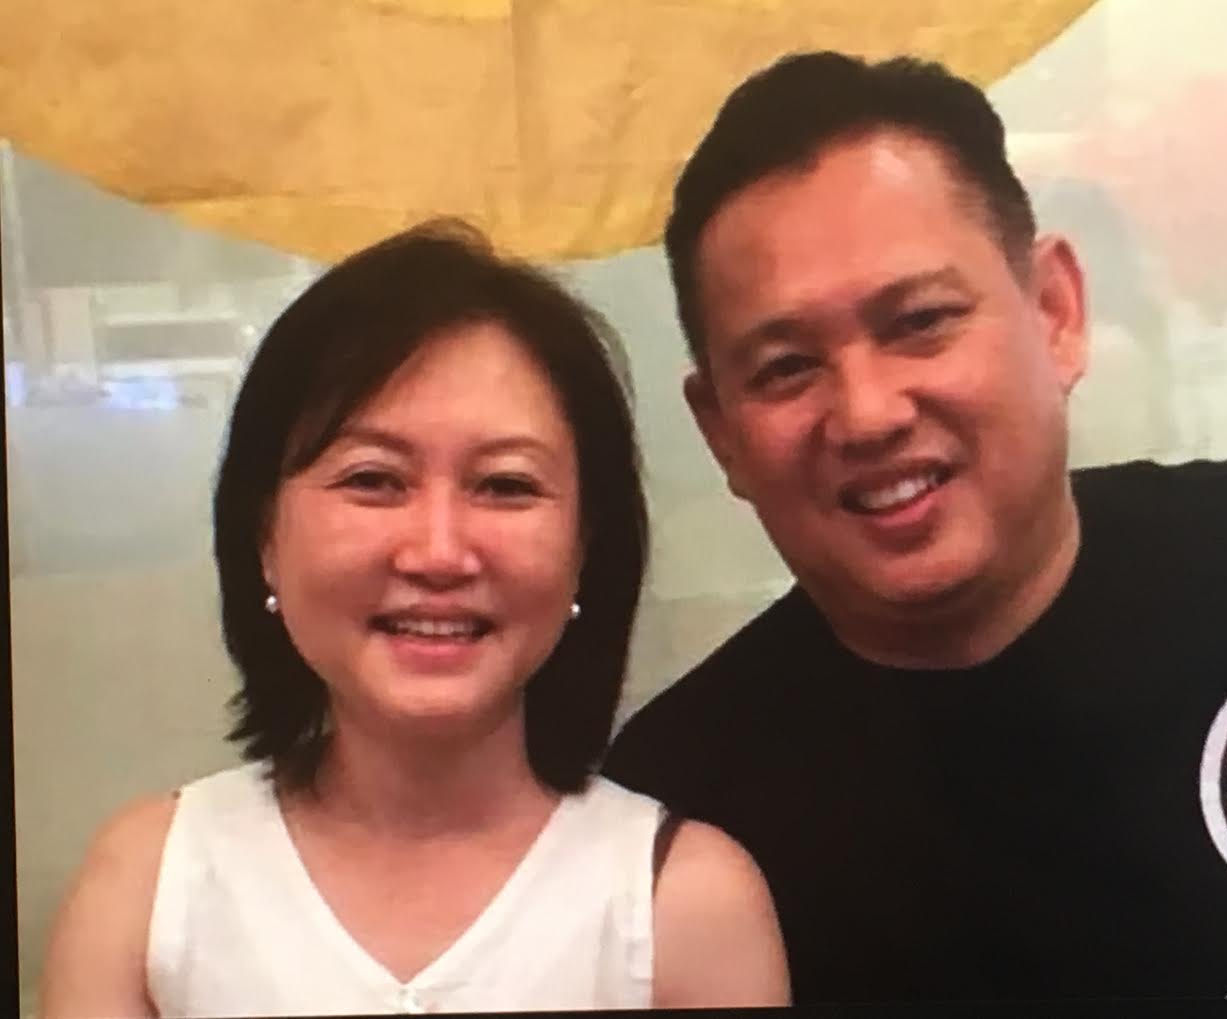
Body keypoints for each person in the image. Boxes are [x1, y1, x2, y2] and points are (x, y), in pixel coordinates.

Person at [604, 52, 1227, 1002]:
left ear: (1054, 311)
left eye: (919, 321)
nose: (867, 413)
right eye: (785, 367)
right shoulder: (671, 830)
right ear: (720, 432)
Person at [40, 220, 789, 1017]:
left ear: (585, 549)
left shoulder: (683, 904)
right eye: (373, 479)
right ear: (263, 536)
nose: (439, 552)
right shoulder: (149, 886)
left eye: (505, 485)